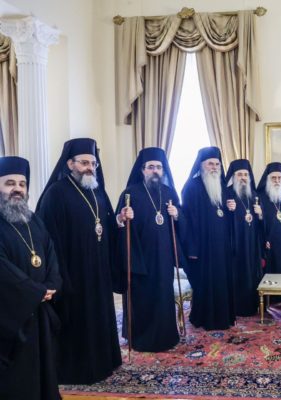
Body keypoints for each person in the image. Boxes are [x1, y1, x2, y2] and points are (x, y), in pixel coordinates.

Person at [37, 138, 122, 384]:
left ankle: (105, 362)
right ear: (70, 164)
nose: (90, 168)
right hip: (73, 272)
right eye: (84, 162)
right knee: (79, 321)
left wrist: (118, 222)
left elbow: (105, 226)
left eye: (93, 163)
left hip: (99, 270)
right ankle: (79, 370)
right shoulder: (56, 194)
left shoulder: (97, 190)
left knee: (99, 315)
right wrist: (60, 276)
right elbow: (49, 240)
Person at [0, 156, 62, 400]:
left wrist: (51, 285)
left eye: (22, 184)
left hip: (39, 308)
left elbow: (50, 253)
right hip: (10, 314)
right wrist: (35, 291)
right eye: (10, 183)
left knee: (42, 364)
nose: (17, 189)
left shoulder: (33, 219)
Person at [115, 147, 184, 352]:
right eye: (151, 167)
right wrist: (122, 218)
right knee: (142, 298)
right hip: (140, 258)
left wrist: (176, 213)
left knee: (163, 296)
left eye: (159, 167)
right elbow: (117, 223)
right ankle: (140, 338)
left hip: (164, 257)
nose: (155, 171)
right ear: (142, 170)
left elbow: (181, 222)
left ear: (163, 170)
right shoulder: (130, 194)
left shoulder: (169, 193)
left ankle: (167, 335)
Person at [181, 146, 236, 331]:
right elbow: (187, 220)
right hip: (203, 247)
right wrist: (192, 248)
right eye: (210, 164)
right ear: (201, 165)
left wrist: (231, 209)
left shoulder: (223, 187)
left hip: (222, 247)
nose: (214, 167)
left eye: (217, 164)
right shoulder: (191, 187)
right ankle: (205, 318)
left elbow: (225, 217)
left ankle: (224, 317)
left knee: (222, 281)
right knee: (206, 283)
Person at [224, 159, 264, 316]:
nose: (243, 178)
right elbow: (218, 219)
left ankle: (252, 305)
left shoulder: (254, 194)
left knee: (252, 273)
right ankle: (237, 307)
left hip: (252, 243)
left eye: (246, 174)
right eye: (239, 174)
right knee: (237, 273)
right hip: (235, 243)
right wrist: (229, 211)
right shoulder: (226, 193)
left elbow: (262, 224)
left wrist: (260, 214)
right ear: (233, 176)